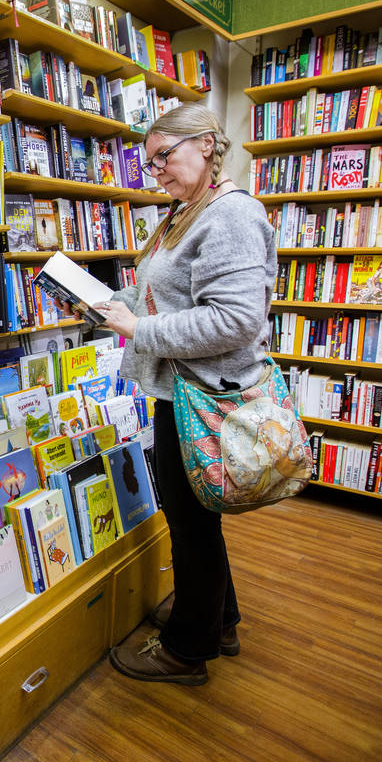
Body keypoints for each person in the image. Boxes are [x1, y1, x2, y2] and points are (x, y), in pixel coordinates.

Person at [95, 103, 277, 686]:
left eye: (164, 157)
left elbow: (234, 320)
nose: (158, 172)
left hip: (203, 396)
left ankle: (186, 650)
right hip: (179, 392)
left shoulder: (229, 216)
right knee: (194, 517)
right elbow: (162, 295)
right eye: (151, 163)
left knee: (191, 522)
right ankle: (219, 619)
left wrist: (135, 329)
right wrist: (109, 303)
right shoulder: (184, 212)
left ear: (204, 144)